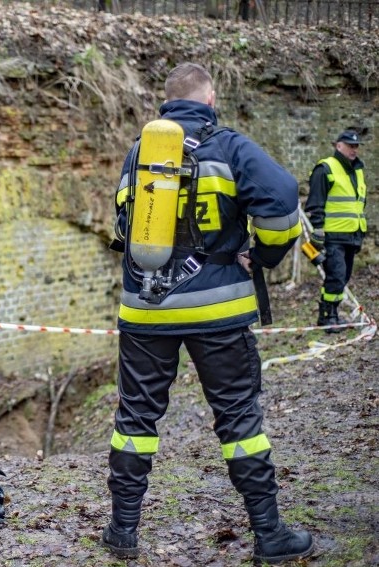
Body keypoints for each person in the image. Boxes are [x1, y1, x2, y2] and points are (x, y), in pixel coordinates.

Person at [104, 63, 314, 564]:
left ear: (166, 103)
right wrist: (261, 255)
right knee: (240, 420)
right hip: (218, 309)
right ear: (210, 98)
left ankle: (122, 533)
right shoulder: (230, 147)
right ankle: (269, 535)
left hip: (146, 310)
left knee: (134, 419)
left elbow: (121, 219)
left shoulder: (140, 153)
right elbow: (283, 201)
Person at [304, 129, 367, 333]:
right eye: (350, 145)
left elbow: (358, 203)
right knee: (336, 275)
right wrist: (318, 230)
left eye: (356, 146)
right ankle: (327, 317)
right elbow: (316, 202)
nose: (354, 149)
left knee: (343, 276)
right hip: (332, 236)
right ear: (338, 145)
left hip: (351, 234)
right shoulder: (325, 168)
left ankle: (333, 313)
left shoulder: (357, 170)